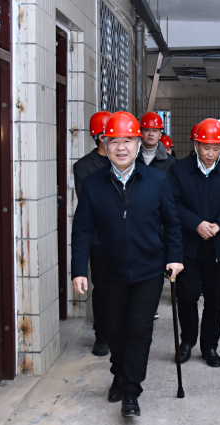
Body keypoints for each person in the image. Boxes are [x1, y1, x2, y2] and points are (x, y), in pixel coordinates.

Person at [71, 111, 184, 418]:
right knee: (115, 329)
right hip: (110, 271)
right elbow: (82, 229)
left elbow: (172, 223)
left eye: (127, 141)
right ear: (104, 143)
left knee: (139, 329)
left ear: (137, 143)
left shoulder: (156, 181)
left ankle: (131, 390)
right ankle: (118, 374)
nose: (121, 147)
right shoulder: (93, 184)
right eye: (114, 141)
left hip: (149, 270)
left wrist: (175, 256)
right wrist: (79, 270)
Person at [168, 118, 220, 368]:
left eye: (216, 148)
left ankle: (210, 346)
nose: (210, 154)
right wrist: (196, 224)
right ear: (195, 144)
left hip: (218, 248)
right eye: (206, 147)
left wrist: (219, 225)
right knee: (187, 296)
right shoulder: (178, 171)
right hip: (188, 246)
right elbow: (173, 204)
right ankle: (187, 341)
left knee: (214, 299)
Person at [73, 110, 112, 357]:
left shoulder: (128, 160)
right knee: (103, 288)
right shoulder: (84, 167)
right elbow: (92, 204)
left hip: (128, 237)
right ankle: (102, 335)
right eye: (110, 136)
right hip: (100, 239)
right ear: (99, 137)